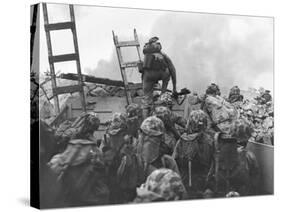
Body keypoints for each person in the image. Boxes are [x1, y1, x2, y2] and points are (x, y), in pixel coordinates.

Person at [102, 113, 145, 203]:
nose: (115, 137)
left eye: (119, 134)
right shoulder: (106, 140)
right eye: (113, 134)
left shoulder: (132, 143)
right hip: (110, 184)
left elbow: (139, 166)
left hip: (127, 186)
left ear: (125, 132)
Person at [173, 110, 214, 195]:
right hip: (203, 183)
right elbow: (214, 163)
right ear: (205, 124)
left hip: (184, 183)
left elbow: (174, 162)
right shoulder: (209, 141)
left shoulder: (181, 140)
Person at [141, 37, 177, 119]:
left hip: (148, 75)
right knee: (162, 97)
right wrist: (174, 88)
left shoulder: (147, 56)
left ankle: (145, 122)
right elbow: (173, 70)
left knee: (146, 100)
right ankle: (162, 97)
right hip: (163, 75)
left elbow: (143, 70)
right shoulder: (163, 55)